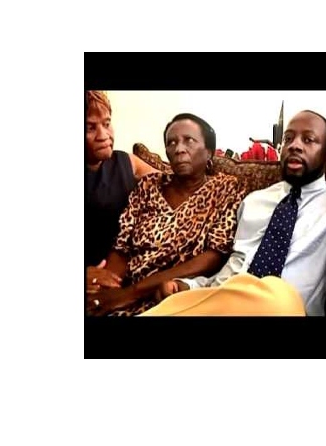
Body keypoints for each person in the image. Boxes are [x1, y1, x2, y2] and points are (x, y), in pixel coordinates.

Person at [139, 109, 326, 317]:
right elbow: (232, 271)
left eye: (309, 140)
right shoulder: (254, 201)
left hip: (286, 307)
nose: (295, 145)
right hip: (229, 299)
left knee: (278, 294)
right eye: (289, 138)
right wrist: (188, 286)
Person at [86, 113, 245, 317]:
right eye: (171, 142)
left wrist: (130, 294)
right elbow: (122, 247)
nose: (179, 149)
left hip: (174, 296)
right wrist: (106, 290)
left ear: (209, 152)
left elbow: (213, 257)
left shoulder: (226, 189)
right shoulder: (148, 186)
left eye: (189, 140)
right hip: (125, 293)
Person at [85, 90, 156, 291]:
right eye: (90, 127)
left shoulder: (127, 162)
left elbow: (173, 184)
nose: (103, 136)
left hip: (131, 274)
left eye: (106, 124)